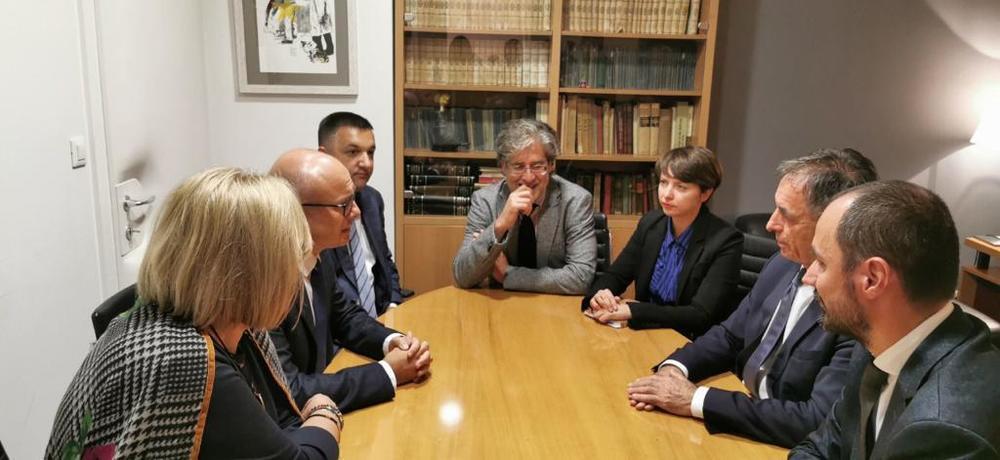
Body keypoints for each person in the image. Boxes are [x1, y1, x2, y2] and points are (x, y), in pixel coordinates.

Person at [47, 168, 340, 459]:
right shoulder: (188, 361)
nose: (296, 274)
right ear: (253, 273)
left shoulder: (203, 323)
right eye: (292, 259)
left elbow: (280, 424)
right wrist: (325, 411)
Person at [627, 148, 877, 447]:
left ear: (832, 223)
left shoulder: (857, 307)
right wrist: (675, 369)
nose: (770, 225)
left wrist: (697, 399)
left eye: (786, 214)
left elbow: (815, 420)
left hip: (772, 441)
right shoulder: (782, 263)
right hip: (736, 406)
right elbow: (729, 335)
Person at [790, 181, 1000, 459]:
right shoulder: (878, 345)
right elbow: (818, 448)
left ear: (873, 278)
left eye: (822, 263)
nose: (809, 277)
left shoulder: (948, 430)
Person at [270, 149, 431, 414]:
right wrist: (388, 372)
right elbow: (290, 391)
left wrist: (393, 341)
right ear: (296, 211)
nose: (356, 212)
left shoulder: (317, 254)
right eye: (344, 205)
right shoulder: (262, 282)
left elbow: (345, 317)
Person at [582, 146, 743, 338]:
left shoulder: (725, 240)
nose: (667, 194)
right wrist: (601, 295)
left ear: (705, 193)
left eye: (681, 187)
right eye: (664, 182)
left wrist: (633, 311)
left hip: (690, 340)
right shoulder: (652, 223)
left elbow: (700, 315)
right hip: (645, 333)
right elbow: (616, 275)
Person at [452, 118, 597, 294]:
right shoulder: (485, 200)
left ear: (551, 165)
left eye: (537, 166)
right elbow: (462, 277)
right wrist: (500, 226)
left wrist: (508, 275)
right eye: (518, 166)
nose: (528, 177)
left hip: (555, 304)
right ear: (503, 167)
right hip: (499, 304)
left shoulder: (575, 200)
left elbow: (581, 278)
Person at [318, 112, 403, 318]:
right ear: (324, 156)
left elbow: (385, 263)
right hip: (340, 328)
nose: (366, 163)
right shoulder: (313, 210)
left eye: (370, 153)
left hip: (381, 318)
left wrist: (393, 307)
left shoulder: (372, 200)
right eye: (353, 152)